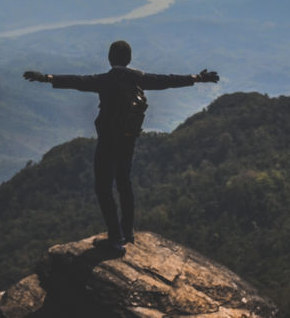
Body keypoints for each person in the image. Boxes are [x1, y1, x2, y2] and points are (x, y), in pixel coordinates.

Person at [24, 40, 218, 253]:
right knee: (124, 183)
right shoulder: (138, 78)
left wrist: (46, 78)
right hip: (128, 139)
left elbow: (77, 81)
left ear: (110, 58)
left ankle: (115, 237)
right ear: (129, 58)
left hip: (108, 140)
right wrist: (198, 78)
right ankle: (128, 232)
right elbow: (167, 80)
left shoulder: (104, 80)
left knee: (103, 188)